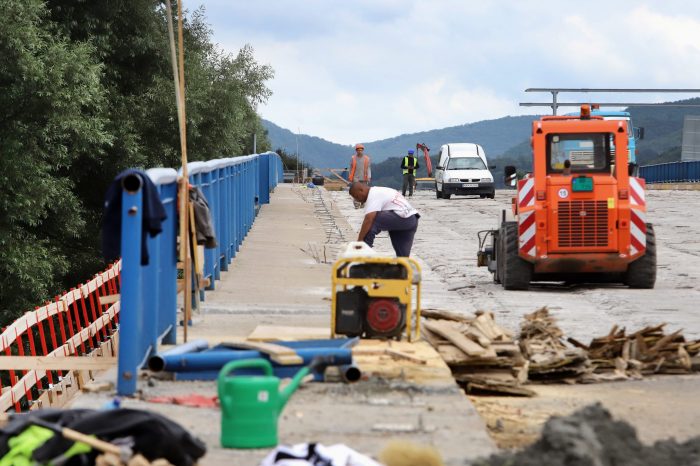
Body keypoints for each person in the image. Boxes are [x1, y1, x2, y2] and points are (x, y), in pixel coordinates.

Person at [349, 183, 420, 257]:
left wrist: (359, 242)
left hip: (404, 218)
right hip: (412, 219)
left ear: (361, 190)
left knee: (373, 220)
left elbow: (369, 219)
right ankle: (402, 267)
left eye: (356, 196)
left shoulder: (372, 194)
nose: (357, 200)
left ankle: (363, 254)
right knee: (402, 258)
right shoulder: (380, 190)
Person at [349, 144, 371, 208]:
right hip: (355, 177)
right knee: (355, 191)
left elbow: (369, 168)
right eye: (358, 150)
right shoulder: (353, 158)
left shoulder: (367, 158)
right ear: (356, 150)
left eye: (361, 150)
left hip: (364, 177)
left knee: (364, 191)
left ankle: (363, 203)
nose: (360, 151)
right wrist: (350, 176)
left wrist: (369, 176)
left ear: (363, 150)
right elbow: (351, 168)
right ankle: (356, 204)